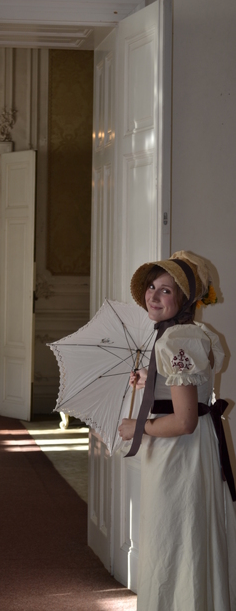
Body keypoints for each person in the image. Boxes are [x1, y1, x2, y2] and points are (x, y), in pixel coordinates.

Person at [118, 250, 236, 611]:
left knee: (173, 537)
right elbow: (191, 392)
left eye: (166, 290)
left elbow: (184, 421)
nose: (153, 295)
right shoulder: (193, 333)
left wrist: (138, 427)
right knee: (189, 533)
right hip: (197, 447)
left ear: (184, 299)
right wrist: (150, 379)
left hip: (178, 452)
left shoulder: (175, 340)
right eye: (152, 287)